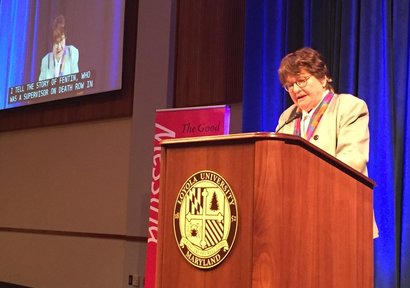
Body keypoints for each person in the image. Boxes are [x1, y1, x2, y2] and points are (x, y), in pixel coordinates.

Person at [275, 47, 378, 238]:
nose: (296, 89)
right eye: (289, 86)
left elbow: (352, 161)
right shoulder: (287, 118)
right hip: (297, 220)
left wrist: (308, 178)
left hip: (342, 216)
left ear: (322, 78)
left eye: (301, 80)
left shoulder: (349, 107)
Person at [39, 15, 79, 80]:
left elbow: (76, 83)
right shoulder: (45, 60)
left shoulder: (72, 52)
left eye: (61, 41)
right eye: (56, 43)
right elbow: (41, 88)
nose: (59, 47)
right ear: (51, 45)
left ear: (65, 38)